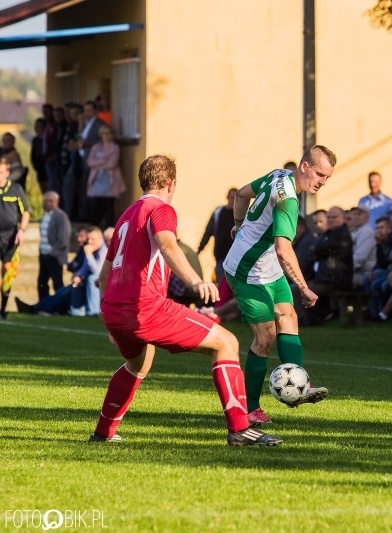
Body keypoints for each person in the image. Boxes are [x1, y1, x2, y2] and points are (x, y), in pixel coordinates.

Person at [90, 154, 280, 446]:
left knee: (138, 365)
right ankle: (240, 429)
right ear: (171, 183)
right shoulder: (162, 209)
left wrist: (110, 320)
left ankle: (103, 433)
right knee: (227, 343)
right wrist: (197, 281)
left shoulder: (127, 215)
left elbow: (104, 274)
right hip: (146, 308)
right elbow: (167, 245)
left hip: (115, 310)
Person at [224, 146, 335, 426]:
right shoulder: (288, 200)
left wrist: (238, 224)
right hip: (246, 271)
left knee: (289, 317)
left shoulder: (278, 174)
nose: (322, 181)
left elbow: (240, 195)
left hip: (268, 267)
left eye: (328, 177)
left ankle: (299, 383)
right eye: (320, 174)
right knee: (265, 338)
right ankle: (250, 408)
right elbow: (283, 248)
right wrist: (304, 287)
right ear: (305, 167)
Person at [0, 157, 30, 320]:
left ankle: (3, 309)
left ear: (7, 173)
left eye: (1, 172)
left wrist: (21, 230)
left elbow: (25, 211)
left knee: (6, 272)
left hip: (10, 237)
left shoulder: (15, 189)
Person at [86, 125, 126, 228]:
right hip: (96, 179)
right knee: (94, 204)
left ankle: (108, 227)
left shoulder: (115, 147)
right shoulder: (96, 147)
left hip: (109, 180)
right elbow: (90, 162)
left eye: (108, 133)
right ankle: (94, 227)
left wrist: (98, 163)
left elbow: (112, 164)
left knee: (108, 205)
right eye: (103, 133)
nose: (105, 135)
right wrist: (104, 161)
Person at [197, 188, 237, 283]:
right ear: (227, 197)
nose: (233, 201)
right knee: (221, 284)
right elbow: (208, 232)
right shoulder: (218, 213)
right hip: (221, 258)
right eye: (232, 198)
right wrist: (200, 249)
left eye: (236, 199)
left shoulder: (240, 214)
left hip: (236, 258)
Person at [37, 191, 71, 300]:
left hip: (54, 256)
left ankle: (59, 306)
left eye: (50, 201)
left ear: (56, 202)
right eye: (46, 201)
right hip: (43, 254)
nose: (47, 203)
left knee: (57, 282)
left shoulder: (61, 216)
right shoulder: (45, 215)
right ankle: (43, 304)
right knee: (42, 282)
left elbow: (63, 239)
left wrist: (52, 252)